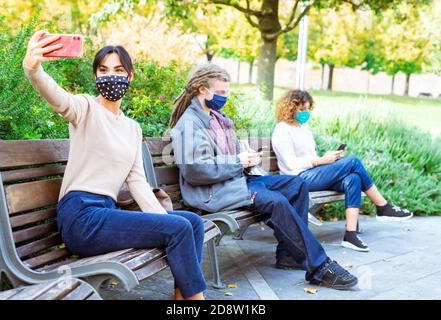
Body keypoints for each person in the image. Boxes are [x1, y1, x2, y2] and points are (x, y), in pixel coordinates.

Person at [23, 31, 206, 300]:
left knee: (191, 223)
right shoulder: (85, 108)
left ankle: (183, 300)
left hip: (107, 214)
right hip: (81, 217)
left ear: (129, 76)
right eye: (103, 70)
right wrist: (33, 69)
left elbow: (138, 183)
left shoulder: (132, 128)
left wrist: (163, 219)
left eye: (119, 70)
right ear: (96, 76)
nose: (111, 76)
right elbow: (58, 97)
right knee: (178, 227)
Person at [169, 64, 358, 290]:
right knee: (274, 201)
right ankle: (319, 267)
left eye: (226, 92)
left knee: (296, 184)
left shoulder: (217, 118)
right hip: (212, 192)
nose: (225, 97)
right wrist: (239, 161)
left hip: (233, 182)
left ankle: (288, 255)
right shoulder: (188, 124)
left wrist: (247, 157)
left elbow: (230, 153)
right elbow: (196, 170)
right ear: (202, 89)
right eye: (220, 92)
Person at [272, 89, 413, 252]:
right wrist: (322, 161)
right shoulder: (282, 130)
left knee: (353, 178)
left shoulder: (303, 128)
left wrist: (328, 158)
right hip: (295, 179)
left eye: (308, 110)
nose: (305, 113)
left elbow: (311, 158)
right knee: (353, 161)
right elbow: (290, 164)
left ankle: (350, 236)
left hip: (310, 175)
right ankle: (383, 207)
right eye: (302, 109)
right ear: (290, 108)